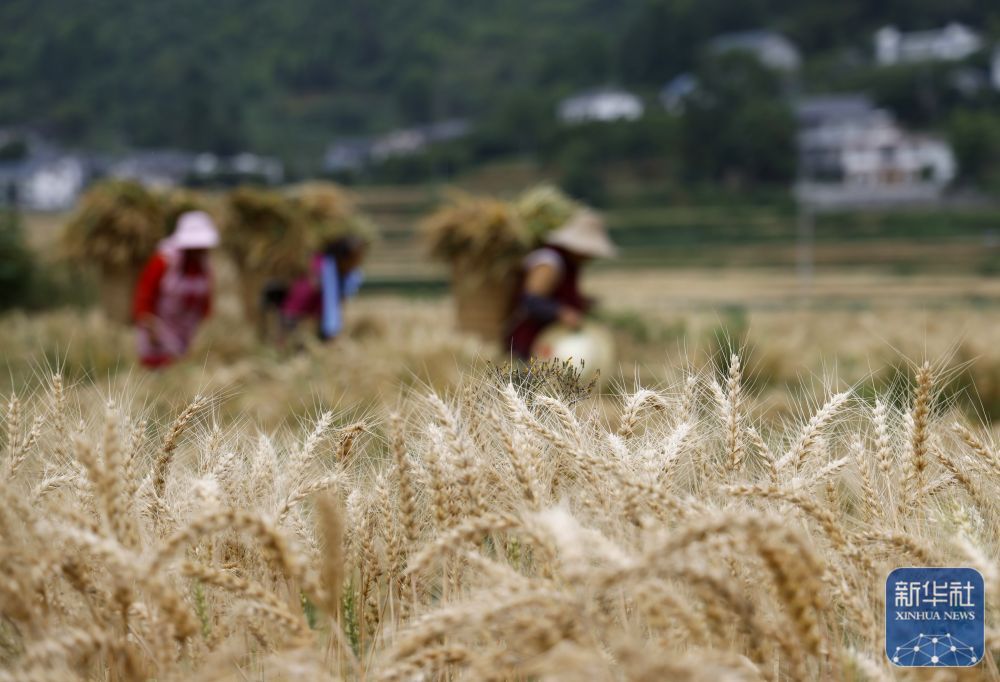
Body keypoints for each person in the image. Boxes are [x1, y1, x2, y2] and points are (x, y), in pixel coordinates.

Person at [506, 208, 616, 359]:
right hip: (529, 341)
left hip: (551, 339)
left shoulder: (570, 264)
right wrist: (562, 313)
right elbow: (531, 301)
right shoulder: (549, 262)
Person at [132, 211, 219, 368]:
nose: (200, 250)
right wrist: (149, 326)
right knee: (159, 372)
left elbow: (206, 301)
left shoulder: (204, 267)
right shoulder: (163, 261)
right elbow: (144, 294)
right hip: (159, 330)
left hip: (188, 331)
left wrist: (206, 330)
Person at [280, 235, 367, 341]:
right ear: (343, 257)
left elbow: (339, 304)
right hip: (296, 316)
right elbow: (310, 292)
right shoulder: (320, 267)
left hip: (318, 320)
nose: (356, 263)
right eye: (354, 259)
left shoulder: (349, 276)